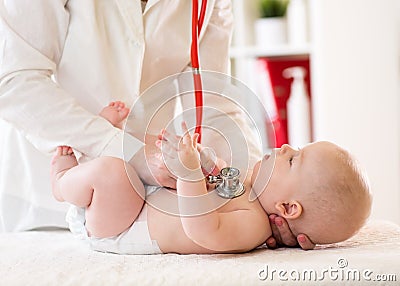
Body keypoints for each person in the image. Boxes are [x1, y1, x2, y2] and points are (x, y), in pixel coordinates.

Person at [50, 102, 372, 254]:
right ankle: (106, 140)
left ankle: (63, 181)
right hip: (136, 203)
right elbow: (216, 178)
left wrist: (190, 173)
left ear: (288, 208)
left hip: (120, 227)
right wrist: (203, 162)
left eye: (293, 158)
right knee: (142, 159)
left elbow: (201, 228)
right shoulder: (247, 188)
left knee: (113, 173)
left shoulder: (253, 224)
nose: (286, 145)